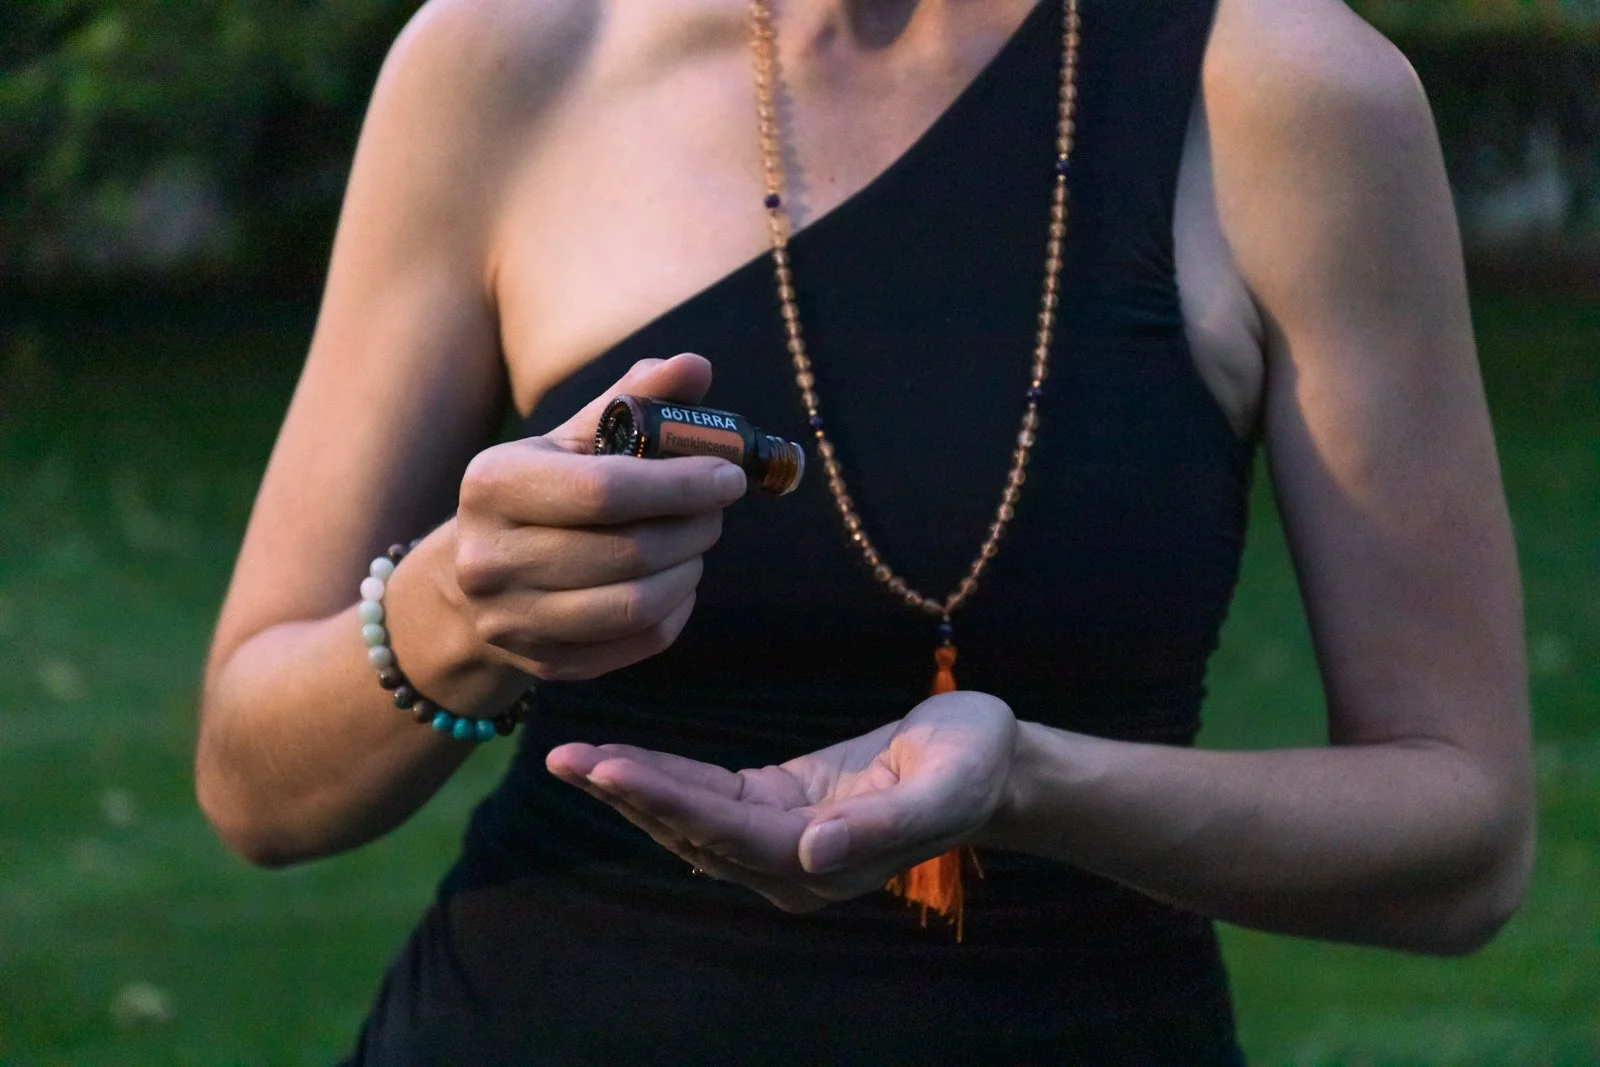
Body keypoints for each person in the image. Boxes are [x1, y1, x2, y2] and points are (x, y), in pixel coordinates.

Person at [195, 0, 1534, 1062]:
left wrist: (1034, 786)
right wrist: (457, 613)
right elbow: (254, 782)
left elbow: (1463, 840)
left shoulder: (1286, 92)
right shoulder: (505, 55)